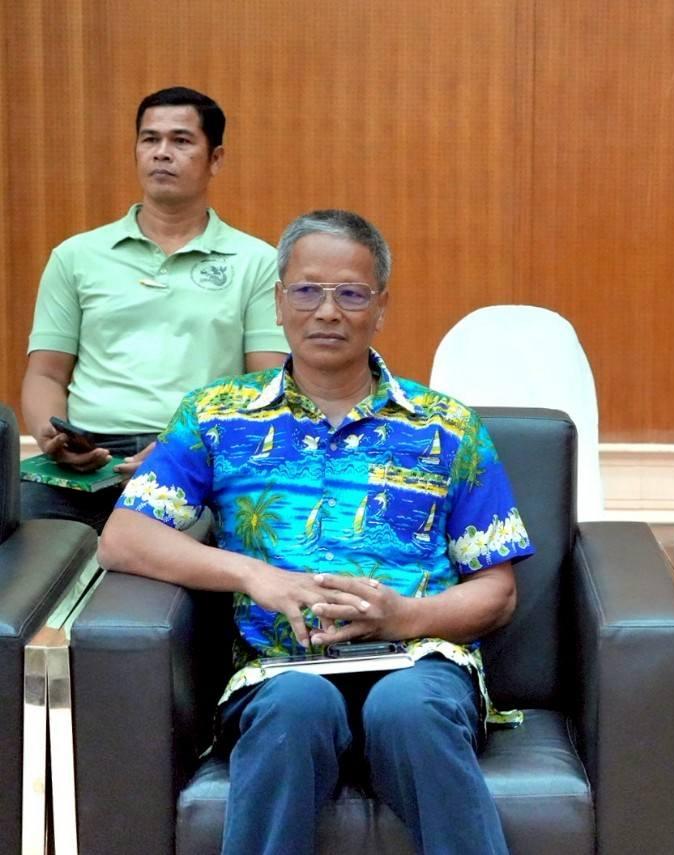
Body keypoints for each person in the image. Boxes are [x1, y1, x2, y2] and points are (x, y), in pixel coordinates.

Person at [98, 209, 533, 855]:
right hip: (280, 671)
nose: (327, 311)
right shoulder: (217, 415)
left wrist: (404, 616)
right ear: (279, 302)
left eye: (351, 293)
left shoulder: (448, 426)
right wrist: (256, 576)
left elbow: (498, 591)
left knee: (408, 710)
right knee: (295, 710)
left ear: (380, 307)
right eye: (307, 290)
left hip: (419, 664)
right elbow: (124, 536)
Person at [22, 86, 287, 532]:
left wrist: (184, 446)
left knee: (187, 548)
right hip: (89, 457)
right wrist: (53, 437)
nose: (162, 152)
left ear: (215, 159)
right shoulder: (75, 256)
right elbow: (46, 374)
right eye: (150, 139)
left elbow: (265, 386)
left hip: (198, 452)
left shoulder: (258, 261)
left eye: (181, 141)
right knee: (21, 540)